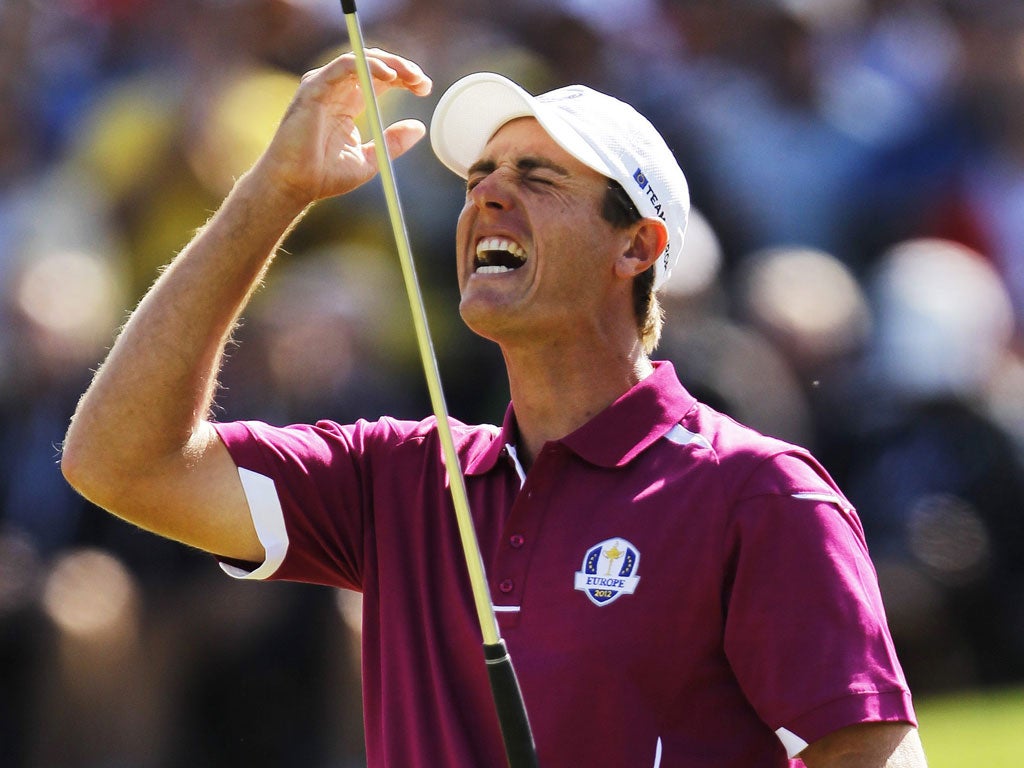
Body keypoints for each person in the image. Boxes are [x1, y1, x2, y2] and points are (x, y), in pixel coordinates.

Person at [61, 49, 928, 767]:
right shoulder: (395, 479)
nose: (487, 196)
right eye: (481, 175)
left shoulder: (755, 494)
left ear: (637, 245)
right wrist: (270, 196)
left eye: (537, 177)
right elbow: (120, 462)